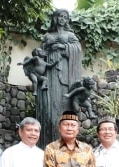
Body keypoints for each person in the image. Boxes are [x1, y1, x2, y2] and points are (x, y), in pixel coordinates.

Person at [40, 9, 83, 144]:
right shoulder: (48, 35)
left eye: (65, 17)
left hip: (65, 72)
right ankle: (49, 138)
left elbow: (77, 49)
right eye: (60, 16)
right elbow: (41, 52)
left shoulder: (70, 35)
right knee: (51, 105)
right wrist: (49, 46)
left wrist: (61, 46)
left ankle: (66, 140)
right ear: (55, 18)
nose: (62, 19)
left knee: (65, 104)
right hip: (51, 71)